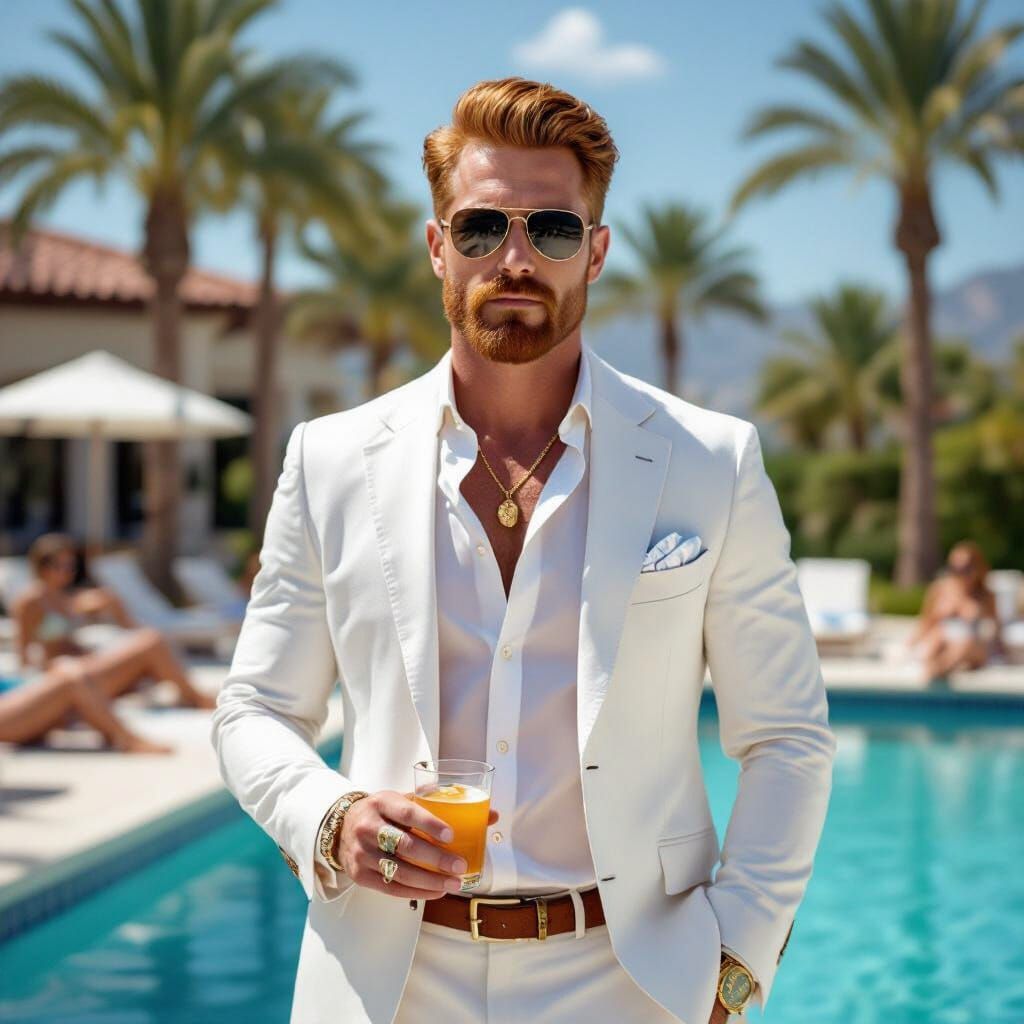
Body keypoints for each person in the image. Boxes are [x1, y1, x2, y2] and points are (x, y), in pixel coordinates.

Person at [211, 77, 835, 1024]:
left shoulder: (711, 460)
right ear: (437, 248)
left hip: (629, 981)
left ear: (596, 252)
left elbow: (787, 737)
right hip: (386, 980)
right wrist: (331, 821)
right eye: (480, 229)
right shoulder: (329, 459)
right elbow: (255, 709)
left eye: (551, 230)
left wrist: (734, 965)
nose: (514, 259)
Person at [0, 533, 214, 754]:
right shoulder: (30, 602)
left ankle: (192, 696)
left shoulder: (66, 598)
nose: (67, 572)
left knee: (149, 641)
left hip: (82, 666)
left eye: (71, 566)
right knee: (143, 645)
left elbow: (118, 619)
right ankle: (132, 735)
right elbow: (24, 657)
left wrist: (109, 605)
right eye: (59, 566)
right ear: (41, 566)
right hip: (61, 674)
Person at [905, 540, 1006, 685]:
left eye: (966, 568)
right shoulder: (940, 588)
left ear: (977, 567)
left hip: (972, 646)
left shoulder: (985, 595)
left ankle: (936, 672)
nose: (961, 574)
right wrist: (911, 643)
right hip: (943, 640)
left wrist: (1001, 652)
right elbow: (926, 621)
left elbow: (996, 626)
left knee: (963, 644)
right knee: (937, 637)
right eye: (955, 568)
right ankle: (935, 672)